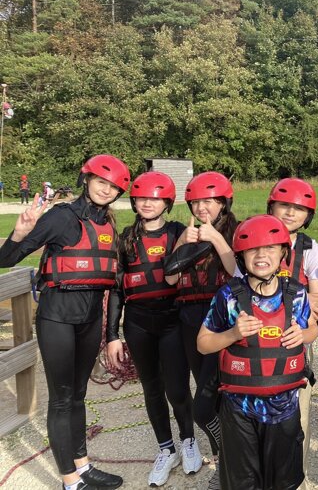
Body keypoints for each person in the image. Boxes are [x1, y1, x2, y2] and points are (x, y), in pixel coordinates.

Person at [0, 154, 130, 490]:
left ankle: (83, 466)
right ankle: (70, 482)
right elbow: (6, 258)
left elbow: (114, 279)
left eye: (113, 186)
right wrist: (20, 233)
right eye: (101, 182)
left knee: (78, 395)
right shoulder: (61, 217)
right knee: (61, 398)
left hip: (90, 319)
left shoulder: (108, 225)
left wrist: (111, 332)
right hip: (57, 316)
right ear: (86, 180)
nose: (106, 190)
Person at [197, 215, 318, 490]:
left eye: (270, 248)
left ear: (283, 253)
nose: (261, 255)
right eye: (252, 249)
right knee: (243, 483)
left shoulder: (296, 294)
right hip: (239, 409)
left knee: (283, 482)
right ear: (241, 256)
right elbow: (202, 343)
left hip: (285, 407)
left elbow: (313, 329)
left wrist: (303, 334)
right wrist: (232, 334)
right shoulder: (228, 296)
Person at [105, 171, 202, 486]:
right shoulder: (125, 238)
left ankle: (188, 440)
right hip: (138, 322)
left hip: (172, 319)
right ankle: (166, 449)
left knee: (177, 387)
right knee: (151, 387)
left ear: (167, 203)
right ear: (134, 201)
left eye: (155, 198)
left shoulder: (178, 232)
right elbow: (117, 290)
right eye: (142, 198)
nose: (148, 203)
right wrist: (112, 335)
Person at [165, 171, 238, 490]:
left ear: (223, 203)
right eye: (195, 203)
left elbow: (238, 272)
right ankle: (225, 463)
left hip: (223, 319)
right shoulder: (186, 235)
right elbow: (170, 278)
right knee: (207, 402)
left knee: (208, 406)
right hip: (191, 320)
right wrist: (183, 242)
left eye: (208, 201)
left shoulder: (237, 231)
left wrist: (216, 238)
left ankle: (235, 459)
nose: (201, 208)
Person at [266, 177, 318, 488]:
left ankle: (296, 481)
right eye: (284, 205)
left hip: (296, 340)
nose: (290, 213)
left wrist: (305, 324)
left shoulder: (309, 248)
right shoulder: (255, 238)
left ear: (308, 215)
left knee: (297, 418)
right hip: (258, 341)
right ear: (271, 207)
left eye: (299, 209)